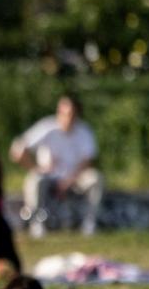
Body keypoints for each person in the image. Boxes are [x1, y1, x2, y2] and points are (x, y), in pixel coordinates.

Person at [10, 94, 102, 237]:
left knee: (95, 178)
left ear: (77, 114)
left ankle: (89, 222)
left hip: (75, 179)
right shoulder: (46, 127)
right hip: (49, 177)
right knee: (35, 179)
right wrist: (34, 168)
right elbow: (17, 150)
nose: (67, 117)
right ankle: (37, 223)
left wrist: (68, 181)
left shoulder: (84, 131)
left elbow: (87, 161)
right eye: (63, 113)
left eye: (71, 114)